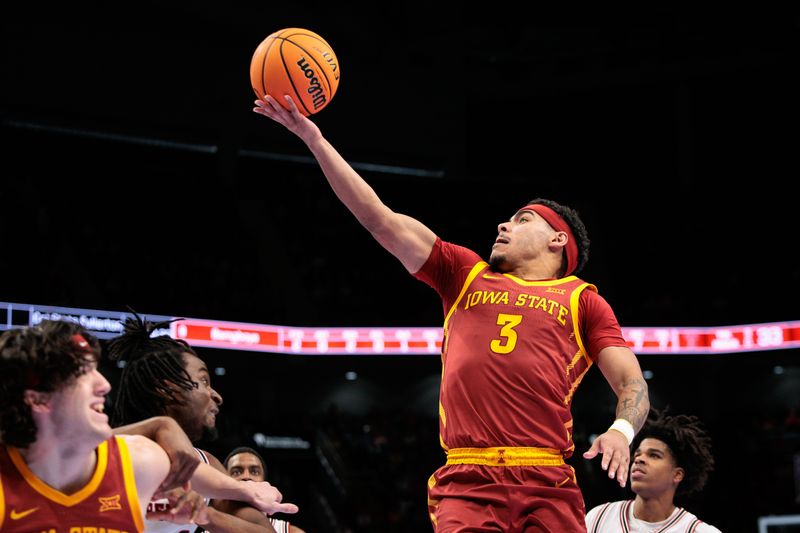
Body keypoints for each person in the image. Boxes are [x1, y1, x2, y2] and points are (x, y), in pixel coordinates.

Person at [253, 94, 650, 532]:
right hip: (468, 478)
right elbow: (379, 218)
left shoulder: (583, 299)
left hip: (546, 476)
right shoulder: (463, 273)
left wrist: (621, 431)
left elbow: (631, 382)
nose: (503, 225)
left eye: (521, 220)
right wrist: (314, 139)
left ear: (558, 240)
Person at [0, 319, 208, 532]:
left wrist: (233, 497)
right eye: (82, 372)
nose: (105, 385)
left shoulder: (145, 464)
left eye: (96, 369)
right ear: (38, 400)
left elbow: (234, 496)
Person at [107, 314, 297, 533]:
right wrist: (160, 426)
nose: (216, 396)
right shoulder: (115, 450)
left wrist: (204, 515)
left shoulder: (206, 462)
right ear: (167, 388)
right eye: (204, 381)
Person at [585, 409, 721, 532]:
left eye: (654, 455)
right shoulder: (599, 517)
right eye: (637, 454)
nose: (639, 459)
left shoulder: (699, 530)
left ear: (677, 475)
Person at [223, 446, 307, 533]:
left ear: (265, 483)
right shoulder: (208, 524)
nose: (246, 477)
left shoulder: (292, 532)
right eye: (236, 472)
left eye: (254, 472)